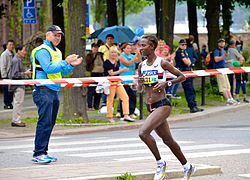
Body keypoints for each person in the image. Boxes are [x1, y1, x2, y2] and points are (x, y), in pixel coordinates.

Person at [138, 35, 196, 180]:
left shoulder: (162, 63)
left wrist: (167, 83)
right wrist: (139, 83)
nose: (141, 48)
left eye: (144, 45)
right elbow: (140, 89)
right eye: (140, 45)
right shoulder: (141, 66)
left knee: (143, 133)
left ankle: (160, 163)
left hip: (163, 104)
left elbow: (182, 76)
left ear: (152, 46)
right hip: (150, 106)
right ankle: (187, 166)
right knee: (168, 140)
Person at [31, 25, 82, 163]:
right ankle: (38, 153)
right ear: (47, 36)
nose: (58, 38)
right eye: (55, 35)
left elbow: (60, 72)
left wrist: (71, 65)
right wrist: (66, 61)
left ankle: (43, 152)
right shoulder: (41, 50)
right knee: (44, 121)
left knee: (50, 122)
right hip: (43, 89)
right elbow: (48, 68)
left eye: (59, 35)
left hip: (54, 90)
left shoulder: (57, 51)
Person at [104, 46, 134, 123]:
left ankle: (126, 115)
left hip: (118, 81)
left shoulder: (117, 61)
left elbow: (117, 71)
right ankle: (110, 117)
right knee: (110, 100)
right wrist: (121, 71)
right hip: (110, 81)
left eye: (115, 52)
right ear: (109, 53)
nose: (113, 54)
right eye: (112, 52)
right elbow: (111, 73)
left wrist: (122, 70)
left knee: (125, 97)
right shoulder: (107, 62)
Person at [175, 39, 204, 113]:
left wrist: (188, 61)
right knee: (188, 89)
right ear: (179, 45)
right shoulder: (179, 52)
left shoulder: (185, 51)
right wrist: (188, 61)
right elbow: (187, 62)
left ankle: (194, 105)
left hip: (188, 71)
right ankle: (191, 106)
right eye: (182, 44)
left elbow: (189, 62)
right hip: (184, 71)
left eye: (185, 44)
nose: (184, 46)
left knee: (192, 89)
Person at [7, 44, 32, 127]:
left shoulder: (18, 59)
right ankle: (16, 120)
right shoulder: (16, 60)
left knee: (18, 102)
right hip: (18, 85)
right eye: (23, 50)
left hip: (19, 84)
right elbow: (14, 74)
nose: (25, 52)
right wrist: (25, 73)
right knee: (18, 102)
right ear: (18, 51)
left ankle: (16, 120)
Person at [117, 43, 141, 119]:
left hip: (131, 78)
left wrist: (138, 53)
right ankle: (122, 112)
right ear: (123, 49)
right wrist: (135, 56)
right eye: (127, 48)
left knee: (132, 96)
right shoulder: (121, 57)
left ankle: (131, 111)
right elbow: (128, 63)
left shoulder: (131, 56)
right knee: (124, 96)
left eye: (130, 48)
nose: (129, 50)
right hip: (124, 79)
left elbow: (139, 61)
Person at [214, 38, 237, 105]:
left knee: (227, 85)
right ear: (218, 44)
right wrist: (224, 56)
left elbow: (222, 60)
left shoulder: (224, 51)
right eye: (220, 42)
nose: (222, 43)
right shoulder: (217, 51)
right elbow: (216, 59)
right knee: (223, 86)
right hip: (219, 70)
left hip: (224, 69)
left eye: (223, 42)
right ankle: (228, 100)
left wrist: (228, 61)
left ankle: (231, 99)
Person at [98, 34, 116, 107]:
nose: (109, 40)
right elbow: (98, 57)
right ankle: (104, 103)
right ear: (106, 40)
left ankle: (112, 103)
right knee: (105, 85)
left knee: (113, 86)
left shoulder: (115, 47)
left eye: (111, 39)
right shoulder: (102, 48)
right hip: (104, 68)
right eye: (108, 39)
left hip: (113, 67)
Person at [86, 43, 104, 110]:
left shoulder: (101, 55)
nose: (95, 49)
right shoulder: (89, 55)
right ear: (91, 48)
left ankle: (96, 105)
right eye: (94, 47)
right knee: (91, 90)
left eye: (97, 47)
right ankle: (90, 106)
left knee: (98, 91)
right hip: (93, 73)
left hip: (100, 73)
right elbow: (88, 63)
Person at [0, 40, 15, 109]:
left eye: (12, 45)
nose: (11, 46)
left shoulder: (12, 54)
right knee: (6, 91)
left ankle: (10, 103)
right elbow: (3, 66)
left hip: (12, 75)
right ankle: (7, 104)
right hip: (6, 76)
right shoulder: (4, 54)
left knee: (11, 91)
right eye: (10, 45)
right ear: (7, 46)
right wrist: (4, 76)